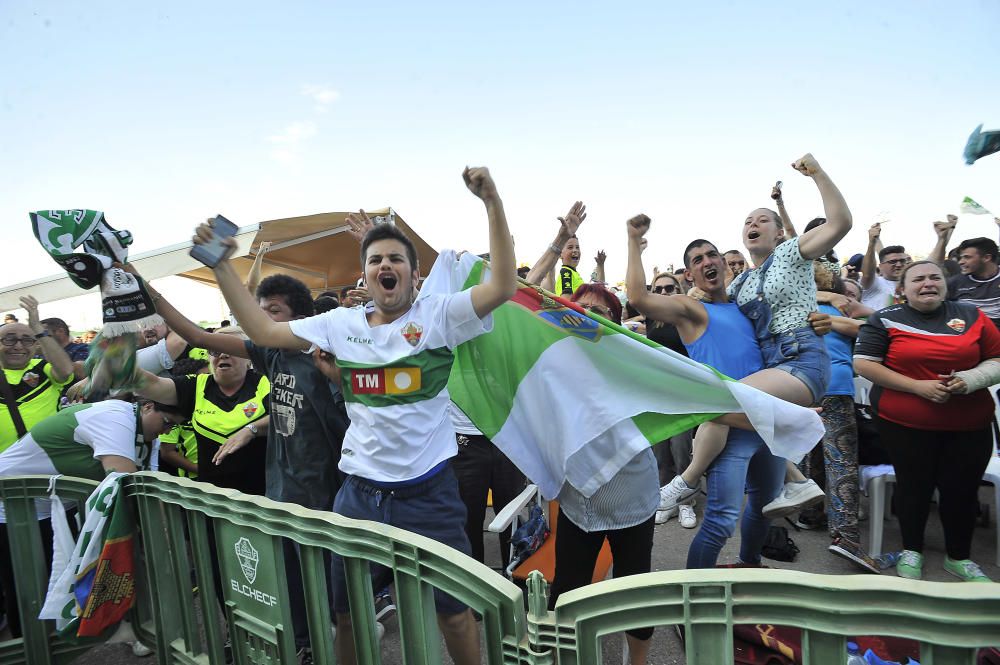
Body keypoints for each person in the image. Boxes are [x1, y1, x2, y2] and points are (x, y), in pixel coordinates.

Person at [196, 167, 515, 665]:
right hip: (359, 497)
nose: (385, 265)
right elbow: (260, 327)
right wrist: (220, 267)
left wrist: (492, 201)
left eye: (395, 258)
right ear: (364, 275)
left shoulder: (437, 315)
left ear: (413, 273)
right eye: (374, 260)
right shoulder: (339, 324)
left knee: (454, 613)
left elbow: (501, 287)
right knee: (346, 613)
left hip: (430, 495)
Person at [135, 269, 350, 661]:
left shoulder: (324, 360)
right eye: (259, 311)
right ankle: (306, 644)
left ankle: (338, 639)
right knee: (291, 581)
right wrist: (144, 287)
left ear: (300, 318)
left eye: (273, 311)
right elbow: (198, 337)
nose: (261, 319)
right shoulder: (270, 354)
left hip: (323, 495)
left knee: (330, 585)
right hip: (281, 492)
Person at [659, 154, 850, 516]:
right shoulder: (742, 283)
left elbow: (841, 222)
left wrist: (818, 174)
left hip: (802, 359)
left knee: (716, 404)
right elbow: (717, 315)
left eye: (763, 219)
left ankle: (685, 483)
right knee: (714, 410)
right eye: (748, 221)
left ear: (779, 232)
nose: (754, 223)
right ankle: (796, 478)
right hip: (773, 367)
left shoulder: (793, 252)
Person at [626, 232, 784, 570]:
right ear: (689, 275)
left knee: (763, 506)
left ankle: (748, 566)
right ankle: (693, 600)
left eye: (711, 255)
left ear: (724, 262)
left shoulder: (747, 307)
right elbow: (638, 296)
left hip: (766, 423)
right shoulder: (691, 310)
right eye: (697, 260)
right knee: (721, 521)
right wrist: (633, 240)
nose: (707, 262)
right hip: (728, 429)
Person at [854, 260, 1000, 582]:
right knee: (913, 487)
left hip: (970, 424)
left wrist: (972, 379)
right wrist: (917, 387)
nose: (928, 283)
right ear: (902, 290)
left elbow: (996, 358)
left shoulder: (972, 315)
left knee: (961, 491)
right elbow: (864, 364)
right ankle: (912, 550)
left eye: (935, 277)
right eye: (918, 279)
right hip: (904, 424)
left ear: (945, 285)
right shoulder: (885, 319)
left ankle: (959, 557)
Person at [0, 397, 187, 637]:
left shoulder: (147, 434)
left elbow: (148, 486)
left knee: (68, 581)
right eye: (166, 422)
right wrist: (163, 533)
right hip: (12, 506)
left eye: (173, 427)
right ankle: (27, 650)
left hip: (54, 506)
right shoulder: (116, 418)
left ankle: (79, 640)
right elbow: (125, 482)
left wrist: (162, 530)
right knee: (26, 589)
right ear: (148, 406)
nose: (166, 430)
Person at [545, 282, 658, 665]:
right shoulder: (551, 362)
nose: (588, 314)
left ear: (617, 322)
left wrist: (767, 411)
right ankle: (567, 656)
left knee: (634, 592)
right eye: (580, 308)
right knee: (566, 590)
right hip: (579, 501)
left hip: (633, 499)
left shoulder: (637, 360)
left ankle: (636, 661)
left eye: (600, 311)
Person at [132, 326, 270, 496]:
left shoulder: (266, 383)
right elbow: (152, 385)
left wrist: (252, 430)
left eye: (230, 348)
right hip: (212, 501)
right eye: (215, 350)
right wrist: (119, 363)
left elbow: (287, 416)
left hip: (261, 500)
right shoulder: (197, 385)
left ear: (249, 356)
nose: (223, 354)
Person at [0, 296, 75, 453]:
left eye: (27, 340)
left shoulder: (43, 368)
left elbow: (66, 370)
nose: (18, 346)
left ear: (36, 346)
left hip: (44, 462)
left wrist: (37, 328)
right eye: (9, 339)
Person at [948, 237, 1000, 328]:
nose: (961, 262)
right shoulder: (954, 283)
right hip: (972, 336)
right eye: (960, 258)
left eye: (967, 257)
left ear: (986, 257)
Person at [860, 223, 907, 310]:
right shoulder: (875, 283)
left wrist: (941, 239)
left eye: (902, 261)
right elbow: (867, 274)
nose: (899, 265)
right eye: (893, 262)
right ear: (880, 267)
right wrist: (872, 243)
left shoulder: (913, 284)